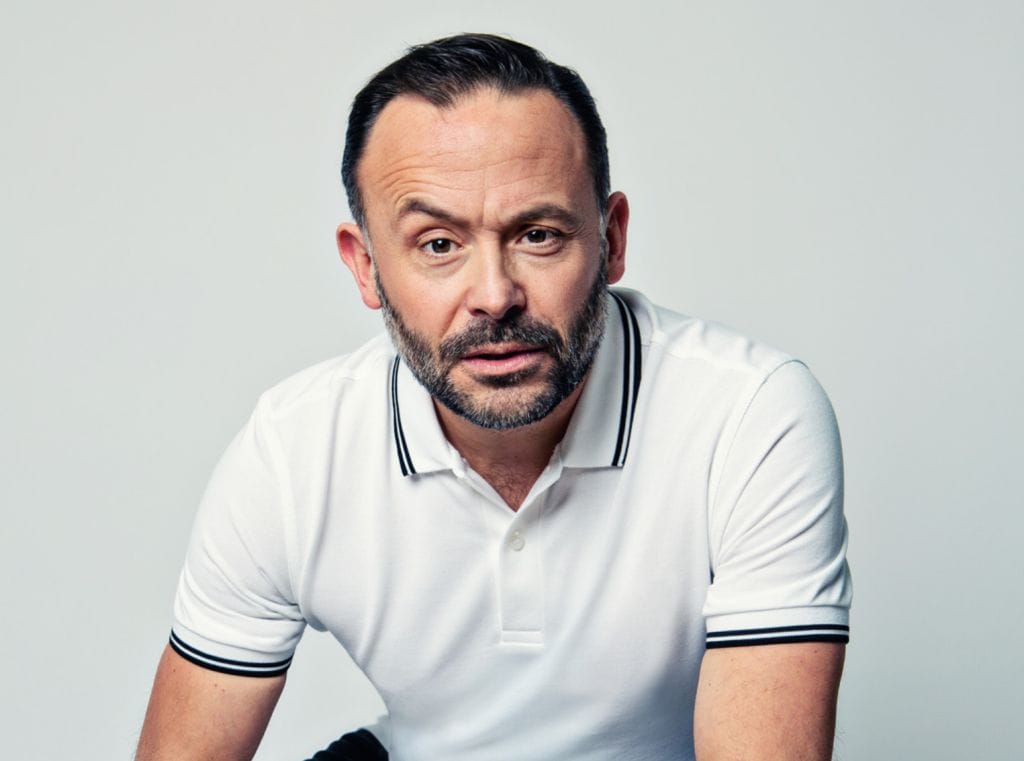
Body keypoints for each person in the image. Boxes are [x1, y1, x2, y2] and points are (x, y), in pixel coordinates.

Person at [136, 33, 851, 761]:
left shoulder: (748, 415)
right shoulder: (292, 455)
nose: (494, 296)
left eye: (538, 234)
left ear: (611, 239)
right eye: (437, 244)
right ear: (367, 268)